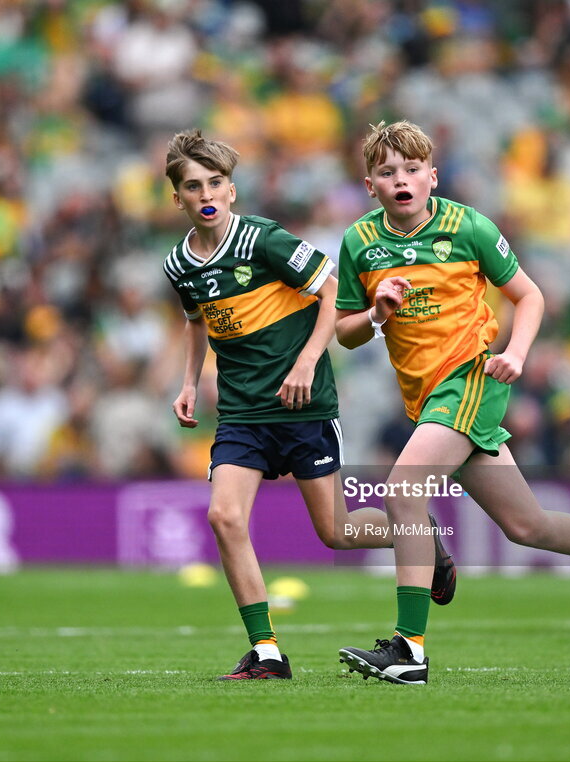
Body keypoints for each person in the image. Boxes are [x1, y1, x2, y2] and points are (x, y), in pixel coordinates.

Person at [334, 120, 570, 685]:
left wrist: (517, 353)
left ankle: (409, 651)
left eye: (412, 169)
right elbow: (345, 332)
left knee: (403, 491)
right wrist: (376, 313)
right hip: (426, 400)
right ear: (369, 185)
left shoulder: (468, 226)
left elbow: (529, 296)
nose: (401, 179)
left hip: (471, 379)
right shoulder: (359, 241)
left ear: (433, 176)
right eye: (387, 172)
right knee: (528, 527)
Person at [161, 129, 457, 681]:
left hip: (304, 405)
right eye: (193, 186)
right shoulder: (179, 264)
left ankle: (422, 535)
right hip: (243, 413)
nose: (206, 194)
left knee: (336, 532)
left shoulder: (264, 240)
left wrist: (306, 362)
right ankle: (267, 652)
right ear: (177, 198)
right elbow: (195, 320)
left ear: (231, 190)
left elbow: (331, 290)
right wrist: (189, 383)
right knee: (224, 517)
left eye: (216, 183)